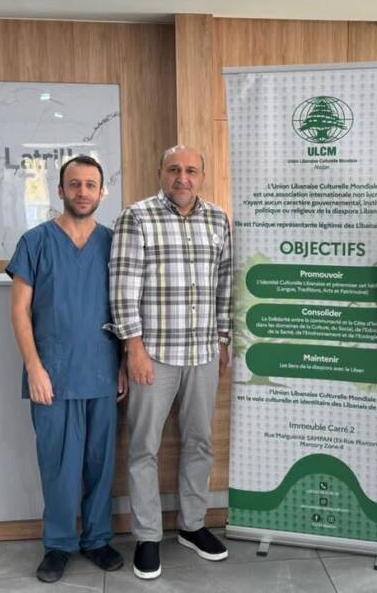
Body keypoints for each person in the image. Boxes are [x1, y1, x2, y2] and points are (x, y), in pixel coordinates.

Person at [109, 145, 232, 580]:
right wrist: (133, 347)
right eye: (175, 169)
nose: (183, 178)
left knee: (200, 442)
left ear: (202, 176)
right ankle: (147, 536)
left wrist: (223, 339)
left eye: (192, 170)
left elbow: (224, 284)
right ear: (161, 172)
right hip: (154, 355)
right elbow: (123, 287)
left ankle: (192, 526)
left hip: (202, 352)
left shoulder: (217, 219)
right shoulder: (136, 217)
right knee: (144, 447)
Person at [7, 155, 126, 584]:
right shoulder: (35, 242)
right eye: (74, 184)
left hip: (102, 372)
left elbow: (126, 307)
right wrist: (34, 368)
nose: (82, 192)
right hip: (52, 377)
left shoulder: (114, 244)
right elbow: (20, 312)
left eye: (91, 184)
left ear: (102, 192)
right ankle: (58, 545)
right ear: (60, 190)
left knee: (99, 465)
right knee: (58, 466)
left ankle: (97, 539)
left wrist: (123, 363)